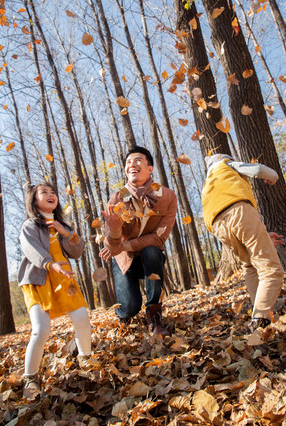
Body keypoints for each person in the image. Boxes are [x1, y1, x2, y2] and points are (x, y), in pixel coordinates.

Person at [18, 182, 91, 395]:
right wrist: (51, 264)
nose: (51, 195)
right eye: (44, 192)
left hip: (64, 280)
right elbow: (32, 250)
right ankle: (30, 378)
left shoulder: (62, 225)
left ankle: (86, 359)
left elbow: (78, 250)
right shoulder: (30, 225)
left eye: (53, 192)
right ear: (34, 200)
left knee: (82, 318)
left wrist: (66, 233)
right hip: (38, 280)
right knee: (41, 330)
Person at [100, 146, 177, 336]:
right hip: (124, 260)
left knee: (152, 251)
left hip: (149, 258)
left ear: (150, 169)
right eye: (127, 162)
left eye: (137, 160)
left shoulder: (167, 196)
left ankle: (154, 315)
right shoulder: (117, 199)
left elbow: (160, 237)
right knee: (130, 307)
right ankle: (124, 314)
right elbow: (110, 247)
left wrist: (123, 245)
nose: (131, 165)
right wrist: (115, 231)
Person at [201, 154, 284, 331]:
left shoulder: (209, 184)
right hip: (239, 210)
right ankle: (260, 320)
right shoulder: (226, 164)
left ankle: (258, 310)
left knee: (250, 266)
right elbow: (258, 170)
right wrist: (273, 176)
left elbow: (235, 225)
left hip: (218, 227)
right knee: (271, 269)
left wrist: (263, 236)